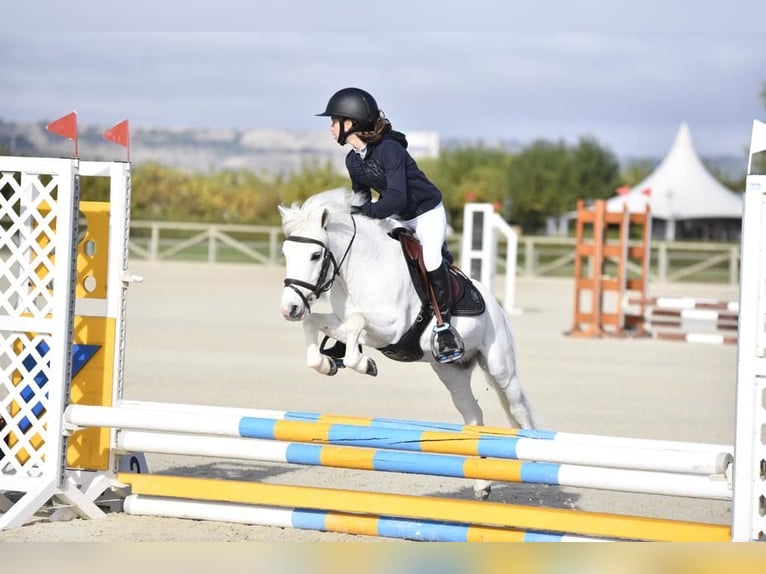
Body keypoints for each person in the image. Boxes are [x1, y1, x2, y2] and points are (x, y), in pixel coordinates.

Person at [316, 87, 464, 364]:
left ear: (351, 124)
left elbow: (396, 197)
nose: (331, 128)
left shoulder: (390, 151)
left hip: (425, 213)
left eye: (334, 122)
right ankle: (351, 330)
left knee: (431, 260)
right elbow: (361, 198)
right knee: (365, 253)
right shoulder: (353, 161)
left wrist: (367, 210)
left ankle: (445, 328)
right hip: (396, 215)